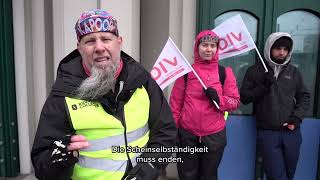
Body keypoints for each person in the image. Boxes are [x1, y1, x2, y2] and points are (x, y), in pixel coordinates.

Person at [31, 9, 176, 180]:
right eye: (90, 41)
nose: (99, 47)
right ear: (79, 48)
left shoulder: (143, 82)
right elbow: (42, 165)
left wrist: (147, 170)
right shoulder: (63, 94)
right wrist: (57, 159)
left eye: (106, 39)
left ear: (119, 42)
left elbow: (165, 133)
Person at [169, 30, 240, 180]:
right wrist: (174, 130)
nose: (208, 49)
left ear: (217, 49)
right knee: (187, 176)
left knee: (208, 176)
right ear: (197, 47)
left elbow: (234, 101)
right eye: (205, 45)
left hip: (214, 136)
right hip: (187, 135)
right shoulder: (186, 73)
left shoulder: (224, 73)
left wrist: (219, 99)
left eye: (213, 46)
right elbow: (175, 105)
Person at [240, 32, 310, 180]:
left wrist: (296, 118)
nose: (281, 52)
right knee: (277, 176)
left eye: (285, 49)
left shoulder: (294, 72)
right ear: (270, 48)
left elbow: (304, 96)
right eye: (278, 48)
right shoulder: (255, 71)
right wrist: (263, 86)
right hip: (268, 133)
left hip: (291, 132)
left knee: (288, 174)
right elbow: (244, 98)